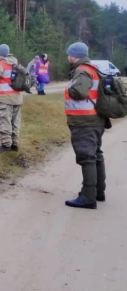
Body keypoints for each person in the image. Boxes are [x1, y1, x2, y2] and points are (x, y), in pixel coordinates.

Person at [63, 42, 108, 210]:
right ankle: (98, 191)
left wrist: (72, 89)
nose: (68, 57)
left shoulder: (82, 70)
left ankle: (88, 197)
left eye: (69, 55)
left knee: (87, 157)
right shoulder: (93, 68)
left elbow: (80, 92)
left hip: (85, 121)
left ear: (74, 56)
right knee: (96, 154)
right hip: (95, 119)